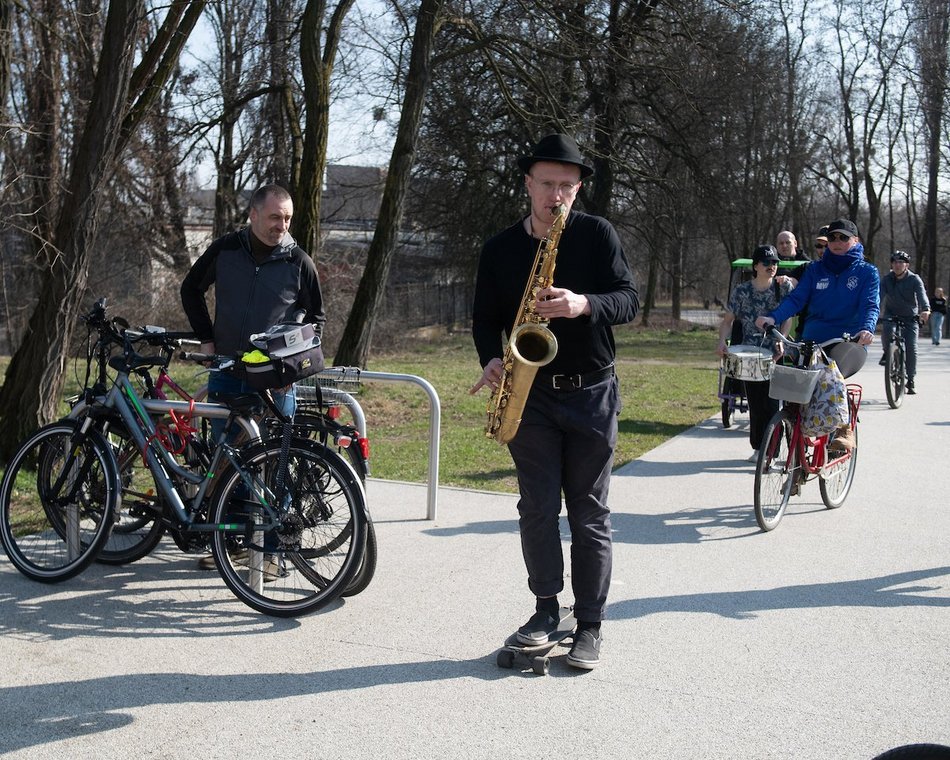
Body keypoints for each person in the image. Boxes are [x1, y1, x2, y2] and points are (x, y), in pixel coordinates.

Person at [470, 133, 639, 670]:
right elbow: (484, 319)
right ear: (528, 183)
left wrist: (583, 303)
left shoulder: (596, 234)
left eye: (567, 185)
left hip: (592, 392)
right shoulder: (500, 249)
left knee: (589, 513)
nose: (557, 195)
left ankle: (589, 623)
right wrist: (490, 359)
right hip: (531, 395)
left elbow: (629, 300)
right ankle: (546, 608)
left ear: (579, 188)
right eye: (547, 184)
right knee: (537, 509)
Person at [181, 184, 326, 571]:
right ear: (254, 214)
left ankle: (275, 554)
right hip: (228, 372)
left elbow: (316, 318)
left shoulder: (299, 261)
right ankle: (233, 545)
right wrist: (206, 339)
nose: (283, 225)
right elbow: (191, 289)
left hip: (276, 381)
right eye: (275, 217)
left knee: (277, 467)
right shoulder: (226, 250)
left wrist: (294, 364)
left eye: (288, 218)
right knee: (230, 462)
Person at [755, 218, 879, 452]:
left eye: (843, 237)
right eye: (832, 237)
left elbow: (870, 305)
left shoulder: (866, 272)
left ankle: (844, 428)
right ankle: (796, 450)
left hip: (849, 342)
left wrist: (867, 328)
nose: (837, 242)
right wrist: (772, 317)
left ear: (855, 240)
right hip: (812, 341)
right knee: (793, 383)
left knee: (831, 369)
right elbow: (796, 299)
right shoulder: (815, 269)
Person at [717, 245, 793, 462]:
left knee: (772, 404)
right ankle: (759, 448)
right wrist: (722, 341)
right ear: (756, 266)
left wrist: (781, 340)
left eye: (775, 262)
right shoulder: (742, 291)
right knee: (756, 404)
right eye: (767, 262)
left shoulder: (782, 288)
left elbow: (788, 318)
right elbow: (728, 321)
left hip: (775, 352)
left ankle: (772, 452)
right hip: (750, 354)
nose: (772, 266)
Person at [879, 250, 930, 394]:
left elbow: (922, 295)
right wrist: (873, 311)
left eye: (901, 262)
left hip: (910, 317)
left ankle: (911, 378)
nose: (897, 265)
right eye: (895, 262)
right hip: (891, 314)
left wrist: (926, 309)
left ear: (907, 265)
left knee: (911, 346)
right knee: (887, 330)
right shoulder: (887, 279)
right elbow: (878, 297)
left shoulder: (914, 279)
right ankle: (887, 353)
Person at [775, 230, 810, 338]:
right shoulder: (771, 263)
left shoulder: (808, 264)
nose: (784, 246)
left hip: (801, 310)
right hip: (775, 308)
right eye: (781, 243)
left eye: (788, 242)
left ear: (795, 243)